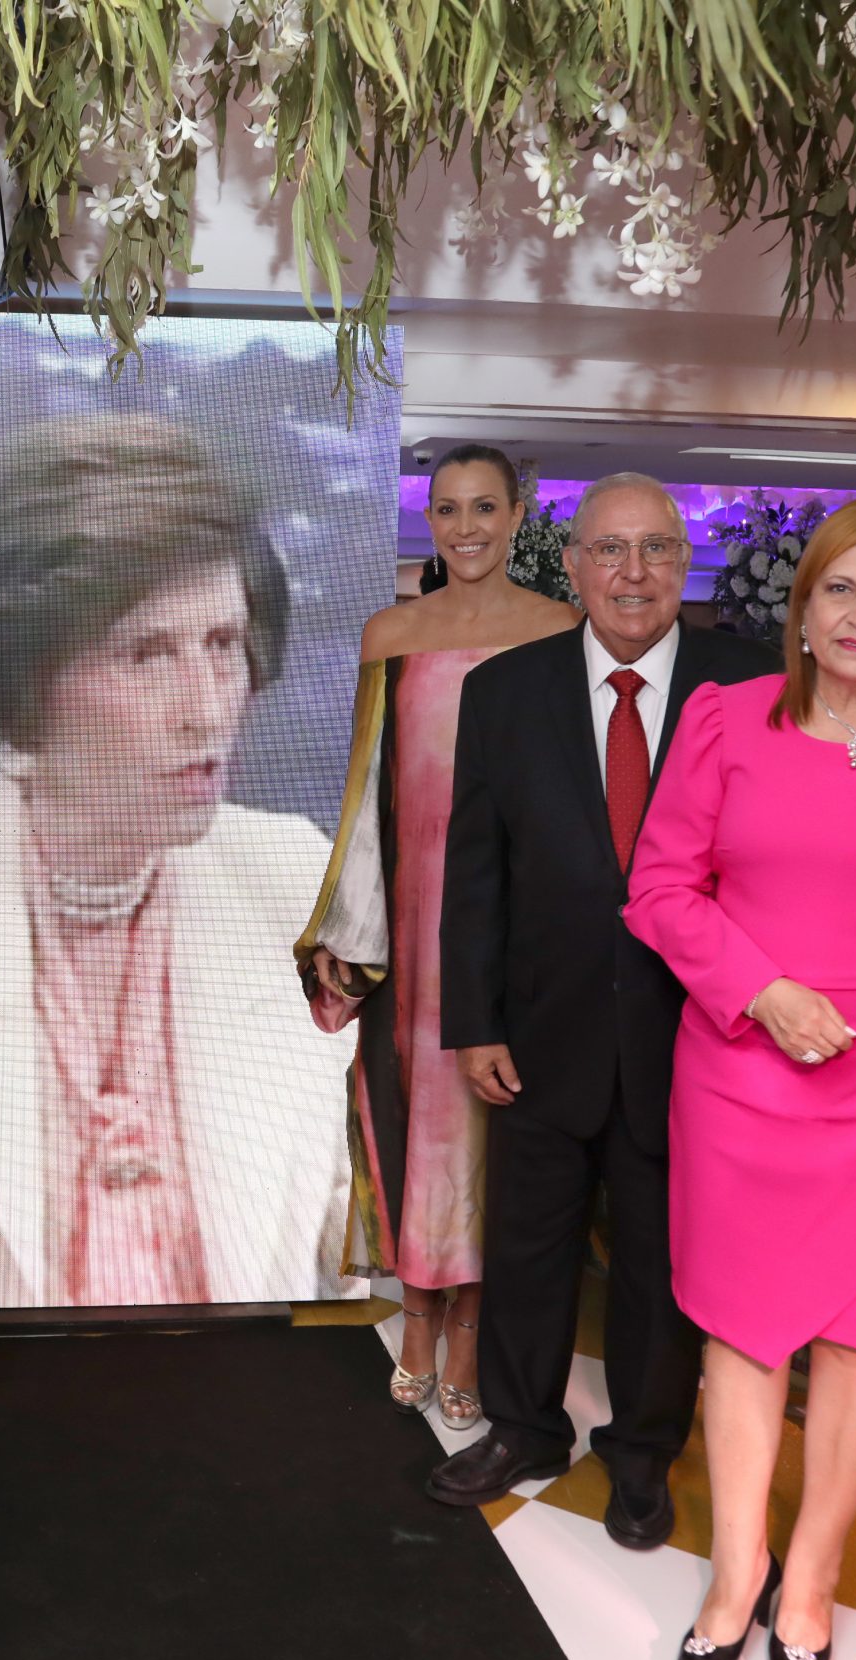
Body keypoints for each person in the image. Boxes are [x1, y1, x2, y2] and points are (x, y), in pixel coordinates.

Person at [625, 498, 856, 1660]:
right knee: (741, 1337)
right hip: (740, 1072)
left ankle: (809, 1577)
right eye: (839, 590)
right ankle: (737, 1570)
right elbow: (660, 890)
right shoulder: (725, 720)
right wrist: (760, 991)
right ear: (802, 609)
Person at [0, 416, 356, 1309]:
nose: (208, 709)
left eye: (222, 644)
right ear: (27, 678)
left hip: (241, 1385)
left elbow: (353, 1219)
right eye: (148, 652)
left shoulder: (290, 877)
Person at [428, 472, 777, 1543]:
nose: (633, 573)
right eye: (609, 550)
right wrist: (474, 1021)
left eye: (657, 549)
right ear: (572, 564)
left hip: (695, 1036)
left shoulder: (751, 683)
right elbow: (474, 871)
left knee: (660, 1264)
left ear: (685, 562)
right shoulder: (505, 691)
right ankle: (524, 1427)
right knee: (527, 1246)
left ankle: (641, 1455)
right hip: (538, 1031)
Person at [300, 444, 579, 1423]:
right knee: (418, 1118)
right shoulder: (390, 634)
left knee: (495, 1127)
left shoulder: (561, 632)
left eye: (484, 508)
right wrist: (347, 925)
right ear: (430, 522)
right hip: (414, 921)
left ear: (516, 516)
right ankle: (419, 1314)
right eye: (448, 510)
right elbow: (366, 794)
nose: (466, 528)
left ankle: (471, 1328)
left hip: (518, 924)